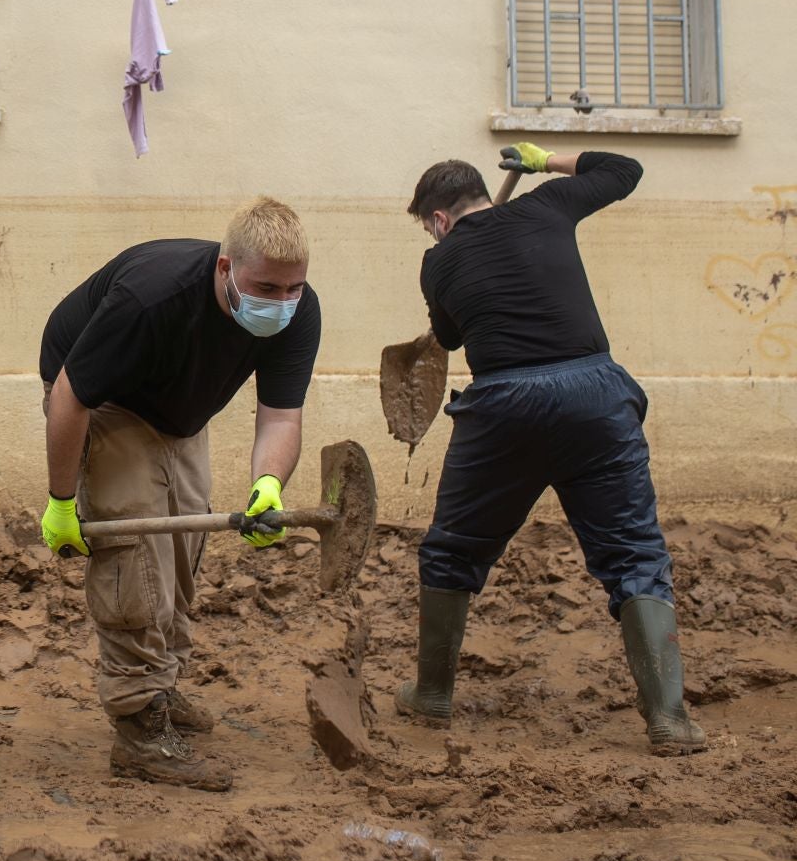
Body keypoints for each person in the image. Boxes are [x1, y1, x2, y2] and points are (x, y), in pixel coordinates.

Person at [398, 143, 704, 755]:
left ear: (436, 220)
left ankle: (432, 695)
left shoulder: (439, 262)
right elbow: (624, 171)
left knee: (454, 547)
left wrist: (451, 270)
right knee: (634, 552)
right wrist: (544, 161)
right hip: (594, 397)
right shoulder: (550, 205)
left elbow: (452, 339)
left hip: (502, 405)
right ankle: (668, 719)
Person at [38, 198, 322, 792]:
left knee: (183, 549)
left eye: (293, 287)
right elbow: (71, 396)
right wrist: (62, 500)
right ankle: (139, 728)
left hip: (183, 412)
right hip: (105, 399)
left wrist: (268, 485)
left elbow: (280, 419)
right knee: (134, 555)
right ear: (225, 269)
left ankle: (161, 684)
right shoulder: (151, 297)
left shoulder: (300, 311)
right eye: (266, 285)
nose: (280, 301)